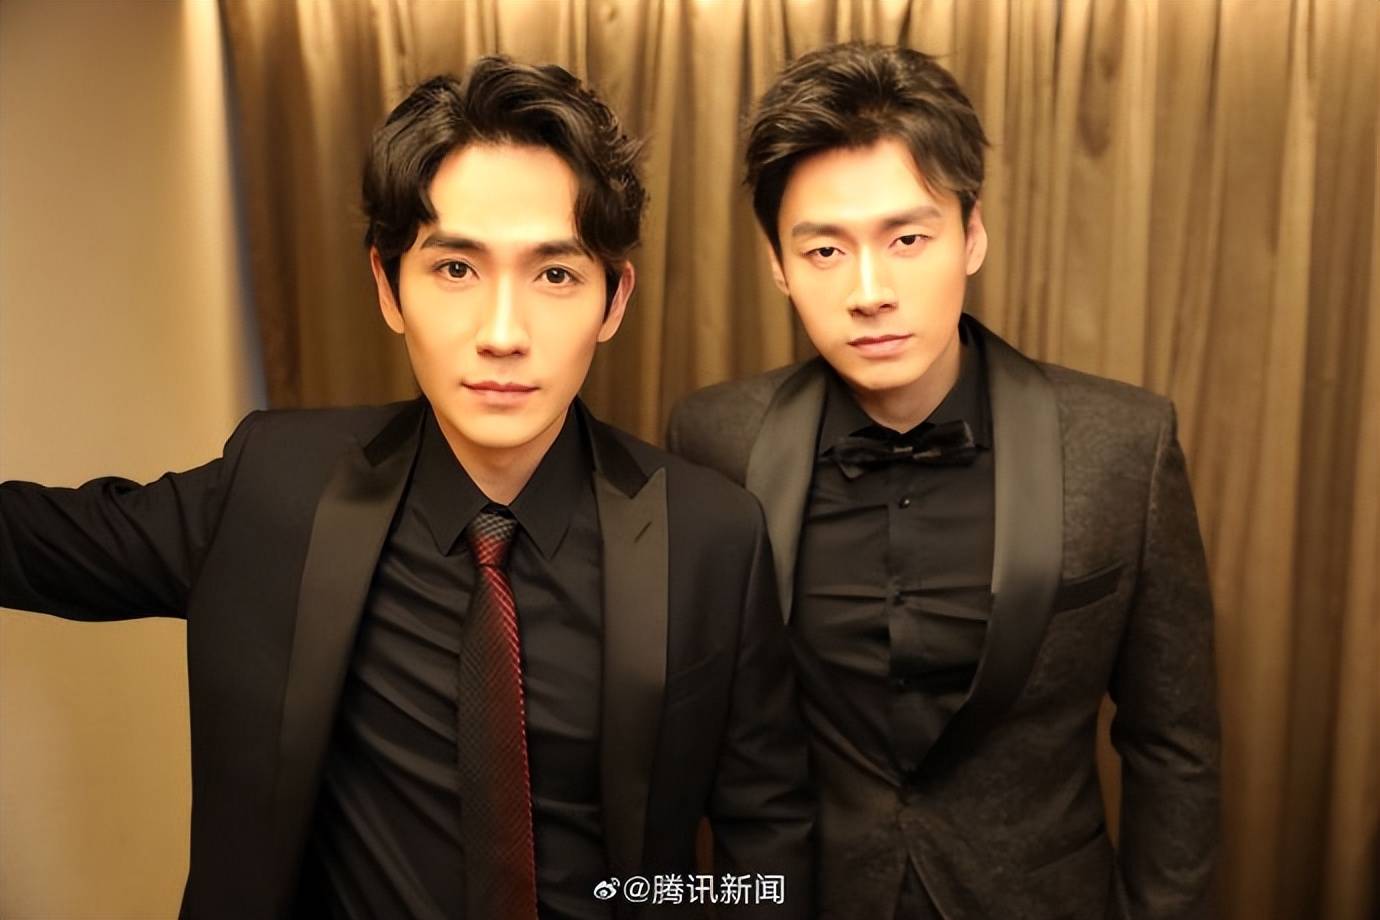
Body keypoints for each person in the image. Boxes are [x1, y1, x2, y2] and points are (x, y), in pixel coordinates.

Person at [1, 57, 812, 920]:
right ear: (388, 288)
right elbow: (32, 542)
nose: (503, 333)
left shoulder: (711, 534)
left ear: (614, 301)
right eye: (456, 269)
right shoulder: (274, 489)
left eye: (555, 275)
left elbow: (768, 841)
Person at [668, 42, 1218, 920]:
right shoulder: (714, 439)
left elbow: (1173, 744)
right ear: (777, 263)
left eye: (908, 238)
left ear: (972, 235)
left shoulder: (1124, 445)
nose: (870, 291)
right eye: (825, 250)